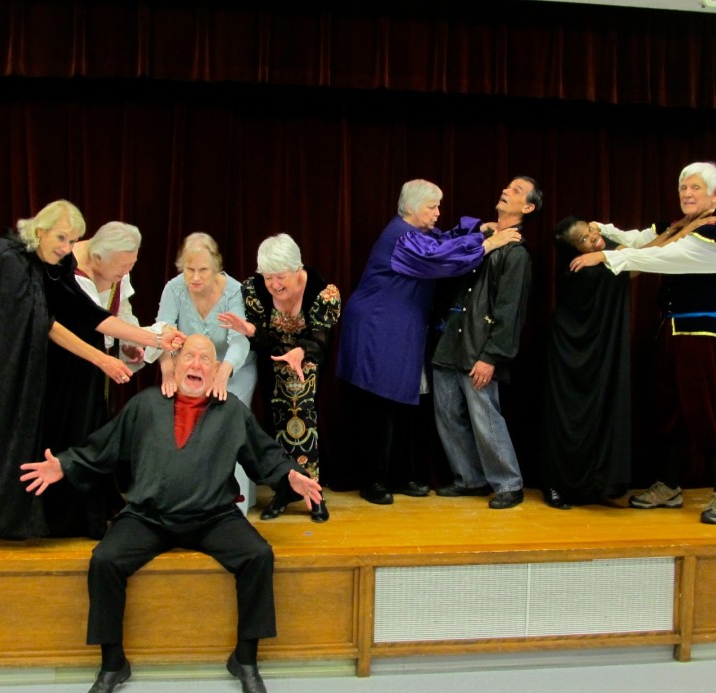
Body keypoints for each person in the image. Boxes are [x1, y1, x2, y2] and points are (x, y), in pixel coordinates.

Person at [19, 334, 323, 693]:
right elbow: (102, 447)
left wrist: (289, 476)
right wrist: (63, 465)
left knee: (258, 556)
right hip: (149, 517)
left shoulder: (232, 412)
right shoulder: (144, 406)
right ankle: (113, 664)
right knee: (104, 561)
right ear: (175, 365)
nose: (196, 364)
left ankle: (245, 659)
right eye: (189, 357)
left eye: (205, 359)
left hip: (213, 516)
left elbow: (266, 457)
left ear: (215, 371)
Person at [0, 200, 183, 549]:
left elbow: (84, 312)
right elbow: (45, 324)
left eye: (71, 240)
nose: (65, 248)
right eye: (60, 238)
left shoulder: (53, 263)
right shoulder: (10, 260)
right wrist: (101, 360)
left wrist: (154, 337)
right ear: (40, 230)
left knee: (2, 432)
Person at [336, 179, 521, 505]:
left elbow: (441, 239)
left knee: (401, 405)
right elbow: (440, 259)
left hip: (397, 328)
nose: (439, 213)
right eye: (432, 207)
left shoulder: (414, 233)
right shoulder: (400, 239)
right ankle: (374, 481)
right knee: (379, 406)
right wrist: (487, 245)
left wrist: (478, 231)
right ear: (411, 208)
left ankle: (398, 474)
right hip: (377, 327)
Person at [571, 161, 716, 525]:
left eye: (695, 188)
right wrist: (608, 231)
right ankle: (668, 486)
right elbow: (644, 238)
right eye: (683, 188)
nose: (687, 194)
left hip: (702, 334)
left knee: (706, 410)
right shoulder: (678, 226)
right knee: (668, 410)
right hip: (672, 329)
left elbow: (663, 257)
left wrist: (606, 256)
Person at [431, 176, 542, 509]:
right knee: (447, 412)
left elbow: (510, 309)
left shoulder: (516, 253)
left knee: (485, 415)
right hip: (451, 339)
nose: (506, 190)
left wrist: (492, 356)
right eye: (507, 186)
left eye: (516, 191)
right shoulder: (482, 237)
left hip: (479, 346)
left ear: (528, 207)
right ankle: (470, 478)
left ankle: (509, 483)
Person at [219, 233, 340, 523]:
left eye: (281, 277)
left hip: (307, 362)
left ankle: (313, 492)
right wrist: (251, 332)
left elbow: (321, 341)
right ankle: (284, 489)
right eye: (268, 277)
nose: (273, 284)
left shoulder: (323, 292)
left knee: (303, 420)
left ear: (298, 269)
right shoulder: (253, 291)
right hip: (272, 361)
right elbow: (262, 341)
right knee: (276, 424)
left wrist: (300, 352)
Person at [43, 220, 147, 538]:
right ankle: (57, 516)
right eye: (122, 267)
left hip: (95, 371)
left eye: (131, 264)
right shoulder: (63, 272)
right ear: (98, 259)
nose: (125, 272)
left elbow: (122, 312)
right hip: (58, 370)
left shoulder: (117, 263)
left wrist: (132, 342)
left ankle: (90, 514)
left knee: (93, 431)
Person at [149, 232, 258, 513]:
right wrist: (168, 370)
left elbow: (239, 339)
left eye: (203, 270)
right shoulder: (173, 289)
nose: (195, 277)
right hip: (192, 368)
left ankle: (237, 505)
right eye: (189, 270)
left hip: (232, 366)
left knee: (228, 419)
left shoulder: (233, 290)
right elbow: (162, 332)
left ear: (216, 267)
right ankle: (191, 499)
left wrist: (223, 374)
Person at [537, 216, 632, 509]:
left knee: (600, 411)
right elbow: (643, 258)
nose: (593, 238)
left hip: (598, 349)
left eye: (590, 230)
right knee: (566, 416)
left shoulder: (604, 255)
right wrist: (681, 232)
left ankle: (597, 481)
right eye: (584, 239)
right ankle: (555, 483)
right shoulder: (582, 269)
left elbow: (637, 255)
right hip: (569, 352)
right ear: (574, 251)